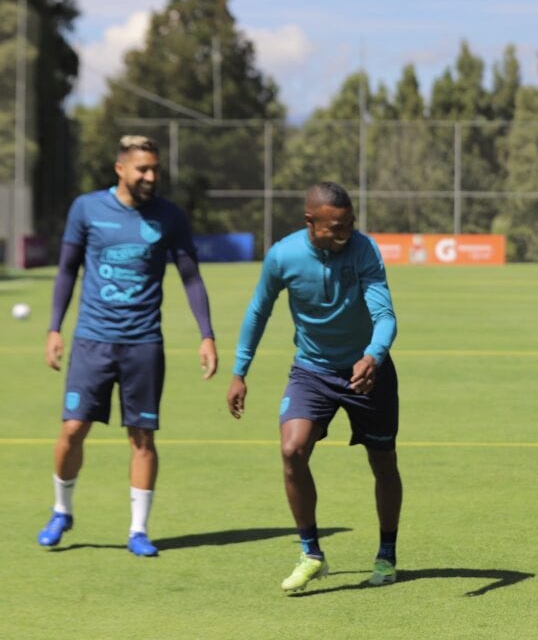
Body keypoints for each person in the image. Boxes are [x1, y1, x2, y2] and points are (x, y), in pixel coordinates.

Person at [38, 135, 218, 557]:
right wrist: (53, 328)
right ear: (120, 169)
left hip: (143, 344)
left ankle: (138, 530)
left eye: (155, 168)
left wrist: (206, 334)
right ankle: (61, 510)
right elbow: (66, 270)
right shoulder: (86, 208)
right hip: (92, 341)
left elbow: (191, 277)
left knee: (142, 437)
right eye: (143, 169)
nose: (151, 176)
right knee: (72, 429)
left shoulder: (169, 216)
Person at [226, 182, 402, 592]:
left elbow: (386, 315)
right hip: (312, 372)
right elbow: (258, 311)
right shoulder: (283, 256)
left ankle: (387, 555)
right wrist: (240, 371)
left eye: (350, 224)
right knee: (292, 450)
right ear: (311, 221)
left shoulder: (364, 250)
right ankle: (311, 554)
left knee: (383, 462)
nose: (346, 233)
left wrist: (373, 355)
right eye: (336, 227)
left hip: (367, 372)